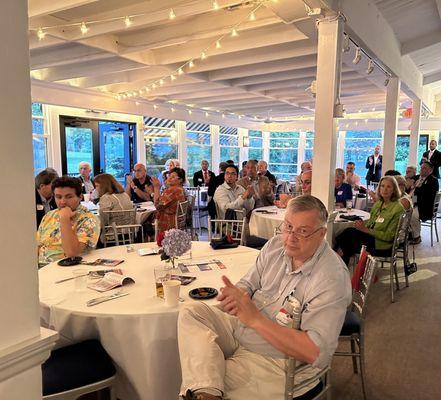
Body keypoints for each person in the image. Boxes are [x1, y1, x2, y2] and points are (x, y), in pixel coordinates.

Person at [178, 195, 352, 400]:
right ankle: (207, 391)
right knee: (192, 312)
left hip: (278, 360)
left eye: (302, 231)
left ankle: (206, 390)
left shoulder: (331, 277)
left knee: (203, 383)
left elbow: (315, 352)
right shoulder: (276, 246)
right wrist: (237, 295)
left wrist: (255, 319)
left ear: (321, 234)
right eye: (288, 226)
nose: (290, 237)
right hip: (242, 329)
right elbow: (249, 283)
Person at [335, 176, 404, 264]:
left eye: (388, 187)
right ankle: (340, 264)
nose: (385, 189)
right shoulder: (379, 204)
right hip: (371, 238)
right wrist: (362, 225)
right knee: (347, 235)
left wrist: (365, 229)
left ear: (394, 190)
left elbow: (389, 236)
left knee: (348, 238)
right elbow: (371, 223)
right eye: (382, 186)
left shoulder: (398, 208)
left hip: (383, 246)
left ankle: (338, 264)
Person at [37, 176, 100, 265]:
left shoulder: (89, 219)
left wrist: (64, 220)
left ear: (80, 197)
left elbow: (72, 253)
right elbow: (37, 246)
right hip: (41, 271)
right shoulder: (49, 215)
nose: (63, 202)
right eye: (58, 197)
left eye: (69, 197)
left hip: (69, 270)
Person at [410, 160, 439, 244]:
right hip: (412, 202)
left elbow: (427, 195)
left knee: (412, 215)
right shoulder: (416, 177)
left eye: (425, 168)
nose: (422, 170)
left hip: (424, 207)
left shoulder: (433, 181)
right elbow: (407, 187)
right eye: (421, 168)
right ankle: (406, 235)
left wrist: (416, 187)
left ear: (431, 170)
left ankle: (417, 237)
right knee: (400, 212)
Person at [151, 167, 186, 235]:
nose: (169, 178)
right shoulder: (180, 189)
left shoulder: (174, 190)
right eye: (169, 175)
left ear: (180, 180)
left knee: (144, 225)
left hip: (167, 223)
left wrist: (156, 187)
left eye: (173, 177)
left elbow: (157, 205)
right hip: (175, 222)